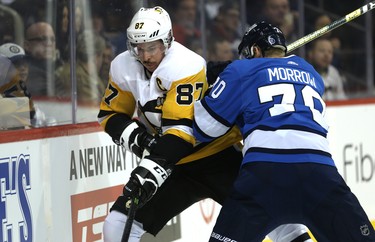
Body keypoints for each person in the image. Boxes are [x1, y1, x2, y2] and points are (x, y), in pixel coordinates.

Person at [99, 6, 313, 242]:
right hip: (172, 162)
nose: (146, 56)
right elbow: (110, 114)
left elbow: (180, 133)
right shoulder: (123, 66)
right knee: (116, 226)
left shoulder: (185, 64)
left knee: (285, 224)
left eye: (152, 47)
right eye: (139, 48)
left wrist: (150, 168)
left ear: (168, 41)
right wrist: (141, 140)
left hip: (219, 157)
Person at [193, 21, 375, 242]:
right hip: (319, 174)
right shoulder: (311, 72)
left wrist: (219, 80)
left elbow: (204, 128)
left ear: (255, 50)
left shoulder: (240, 70)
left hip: (264, 175)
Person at [56, 30, 106, 104]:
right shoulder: (82, 80)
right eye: (102, 56)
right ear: (96, 57)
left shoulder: (70, 70)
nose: (104, 60)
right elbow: (92, 111)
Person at [23, 21, 63, 97]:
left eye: (52, 39)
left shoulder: (57, 66)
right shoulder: (26, 73)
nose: (49, 44)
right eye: (43, 39)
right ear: (27, 45)